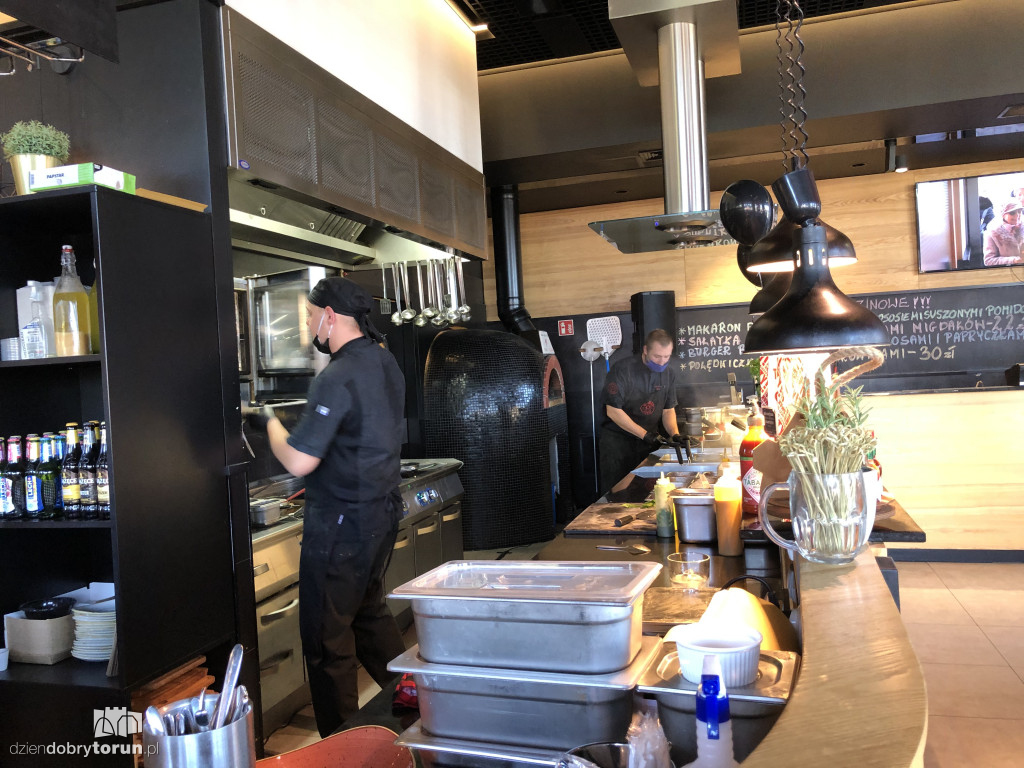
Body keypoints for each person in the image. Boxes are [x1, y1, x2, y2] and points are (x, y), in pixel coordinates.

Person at [244, 276, 406, 738]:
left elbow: (300, 460)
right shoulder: (385, 360)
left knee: (326, 640)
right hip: (380, 512)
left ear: (330, 317)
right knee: (369, 615)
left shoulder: (336, 375)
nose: (309, 325)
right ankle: (419, 705)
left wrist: (268, 421)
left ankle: (341, 747)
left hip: (341, 524)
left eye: (311, 316)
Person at [598, 328, 683, 493]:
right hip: (618, 444)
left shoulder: (669, 374)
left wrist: (675, 434)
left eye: (666, 357)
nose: (662, 362)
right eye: (657, 356)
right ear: (645, 350)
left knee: (645, 492)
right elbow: (613, 411)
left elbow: (668, 410)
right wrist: (645, 435)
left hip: (648, 444)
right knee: (617, 494)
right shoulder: (623, 370)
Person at [983, 200, 1024, 266]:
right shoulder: (992, 232)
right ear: (1003, 215)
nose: (1017, 215)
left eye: (1019, 211)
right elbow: (988, 261)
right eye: (1012, 213)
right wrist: (1014, 260)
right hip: (1007, 271)